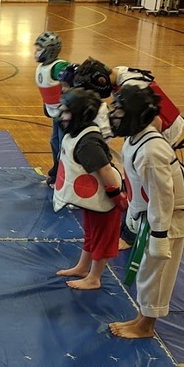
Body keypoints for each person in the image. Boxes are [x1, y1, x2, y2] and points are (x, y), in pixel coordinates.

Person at [108, 83, 184, 338]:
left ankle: (146, 326)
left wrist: (159, 235)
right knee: (147, 270)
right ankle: (141, 318)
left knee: (156, 272)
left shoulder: (151, 150)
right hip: (150, 216)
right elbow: (138, 186)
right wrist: (134, 214)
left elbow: (161, 197)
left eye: (120, 110)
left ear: (135, 116)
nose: (115, 115)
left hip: (167, 220)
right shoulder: (137, 139)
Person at [52, 88, 127, 290]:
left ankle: (94, 277)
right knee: (91, 234)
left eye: (66, 110)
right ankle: (82, 267)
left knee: (103, 238)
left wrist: (115, 196)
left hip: (106, 198)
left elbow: (105, 170)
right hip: (93, 197)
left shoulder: (88, 143)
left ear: (79, 115)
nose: (62, 115)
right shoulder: (77, 135)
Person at [112, 66, 184, 147]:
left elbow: (156, 121)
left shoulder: (132, 87)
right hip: (166, 121)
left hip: (166, 129)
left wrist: (152, 143)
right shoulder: (119, 72)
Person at [34, 31, 70, 186]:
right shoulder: (44, 67)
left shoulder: (59, 67)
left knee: (63, 144)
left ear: (49, 51)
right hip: (55, 112)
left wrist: (68, 106)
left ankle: (65, 176)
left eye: (38, 49)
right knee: (54, 141)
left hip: (65, 114)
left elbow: (73, 81)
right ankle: (57, 169)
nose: (35, 53)